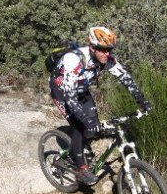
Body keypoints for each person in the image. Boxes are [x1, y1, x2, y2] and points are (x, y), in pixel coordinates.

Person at [49, 26, 152, 185]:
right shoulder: (74, 59)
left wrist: (142, 101)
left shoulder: (107, 60)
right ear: (92, 47)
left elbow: (126, 79)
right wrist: (85, 120)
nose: (107, 54)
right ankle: (80, 168)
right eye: (102, 50)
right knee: (80, 124)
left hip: (81, 89)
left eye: (109, 50)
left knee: (94, 122)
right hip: (62, 91)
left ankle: (80, 147)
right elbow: (70, 97)